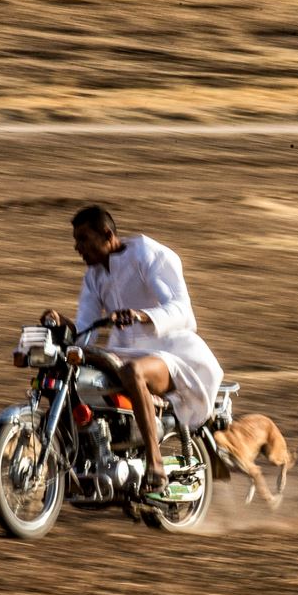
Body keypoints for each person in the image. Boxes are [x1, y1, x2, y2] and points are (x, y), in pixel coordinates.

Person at [42, 205, 223, 495]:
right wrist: (64, 324)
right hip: (124, 352)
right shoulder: (93, 277)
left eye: (84, 239)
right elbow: (86, 330)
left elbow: (183, 311)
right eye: (75, 240)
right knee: (78, 373)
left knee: (132, 372)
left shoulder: (148, 255)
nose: (77, 247)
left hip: (173, 352)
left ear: (107, 234)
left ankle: (155, 461)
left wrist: (141, 315)